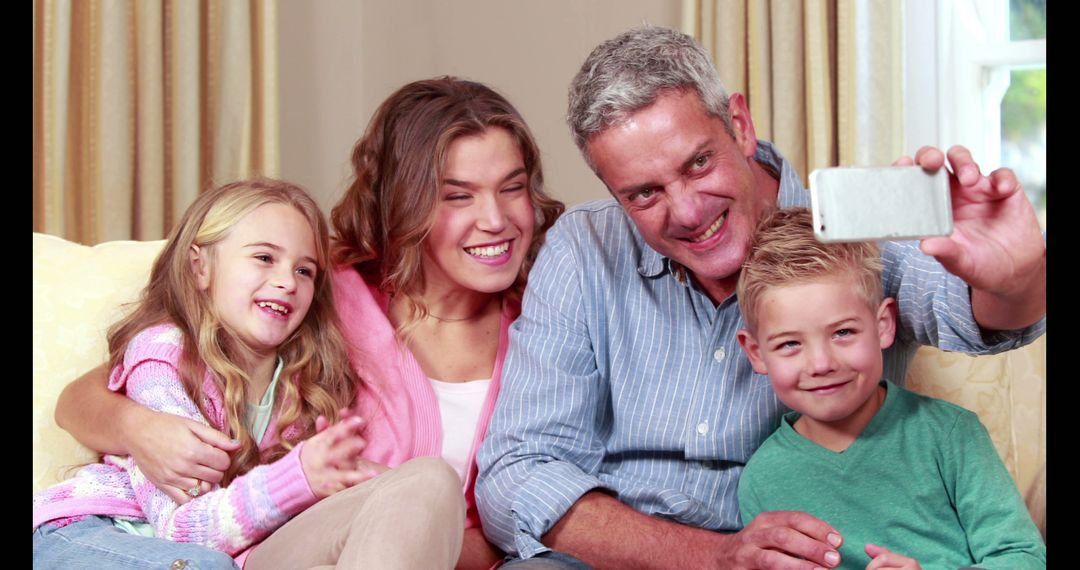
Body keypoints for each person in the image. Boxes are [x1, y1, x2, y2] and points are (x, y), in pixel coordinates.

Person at [475, 26, 1046, 569]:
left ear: (740, 124)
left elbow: (977, 314)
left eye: (698, 163)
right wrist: (710, 559)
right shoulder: (582, 248)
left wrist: (1015, 277)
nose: (689, 211)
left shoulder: (849, 231)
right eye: (644, 193)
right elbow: (517, 472)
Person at [53, 77, 564, 569]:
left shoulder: (551, 326)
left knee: (426, 485)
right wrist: (138, 427)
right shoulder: (320, 298)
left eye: (512, 188)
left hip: (376, 545)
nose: (495, 220)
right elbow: (96, 394)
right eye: (458, 195)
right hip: (260, 540)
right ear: (405, 204)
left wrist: (388, 508)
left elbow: (527, 528)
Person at [34, 178, 466, 569]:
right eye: (264, 258)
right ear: (200, 267)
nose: (287, 281)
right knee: (205, 568)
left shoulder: (303, 384)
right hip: (94, 537)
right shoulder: (163, 357)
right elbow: (183, 530)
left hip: (230, 553)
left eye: (304, 270)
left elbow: (256, 517)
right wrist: (298, 478)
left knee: (427, 480)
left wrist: (349, 480)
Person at [733, 208, 1045, 570]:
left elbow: (1024, 557)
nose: (821, 364)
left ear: (883, 325)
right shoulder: (762, 479)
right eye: (790, 344)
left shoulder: (951, 435)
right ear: (756, 353)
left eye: (843, 332)